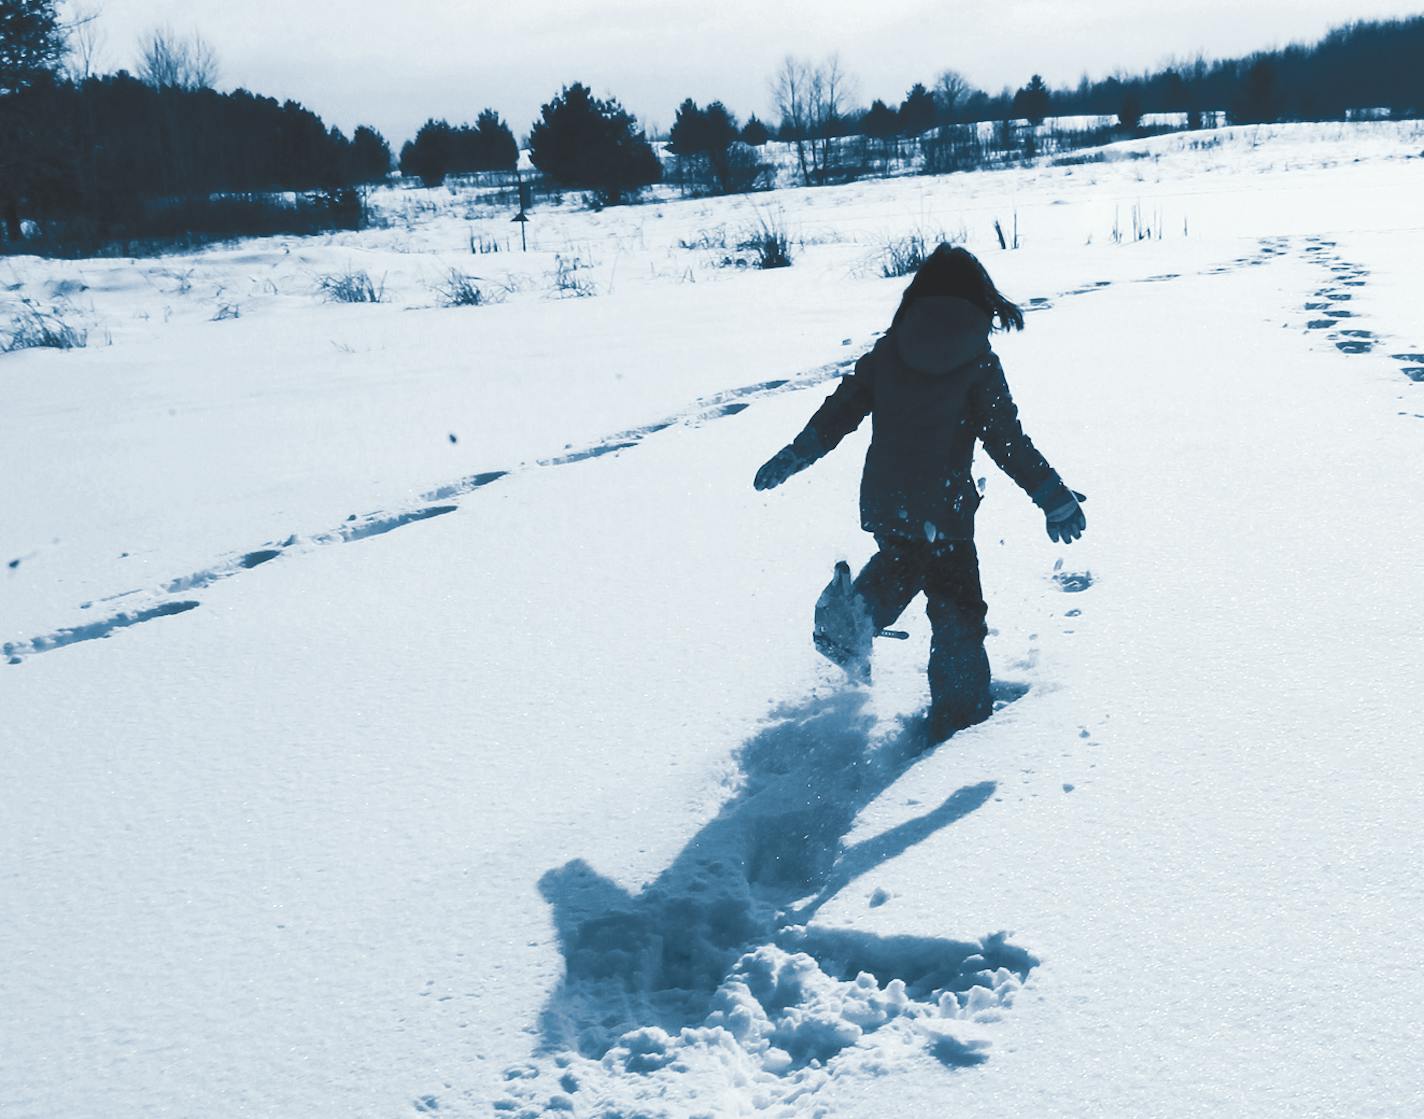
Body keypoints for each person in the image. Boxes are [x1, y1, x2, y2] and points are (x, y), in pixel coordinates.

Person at [753, 244, 1086, 743]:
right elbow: (1007, 442)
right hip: (946, 512)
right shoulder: (978, 363)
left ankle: (855, 613)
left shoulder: (888, 352)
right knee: (957, 614)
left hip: (889, 502)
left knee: (904, 560)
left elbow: (838, 412)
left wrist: (795, 454)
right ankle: (962, 723)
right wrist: (1053, 496)